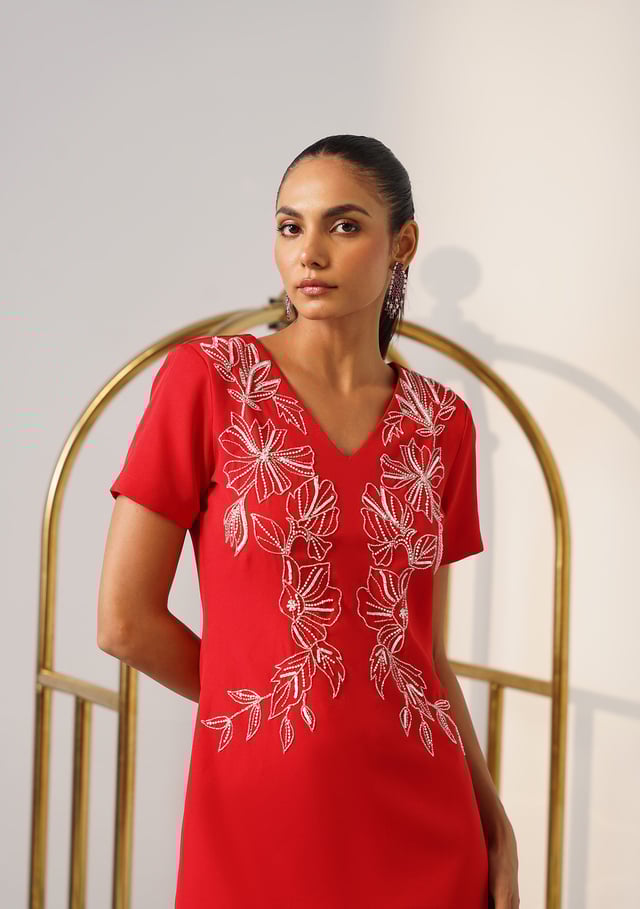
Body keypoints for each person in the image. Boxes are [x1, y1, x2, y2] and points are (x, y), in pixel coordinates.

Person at [98, 134, 520, 908]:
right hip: (262, 811)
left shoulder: (441, 423)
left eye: (345, 225)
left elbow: (424, 652)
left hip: (427, 819)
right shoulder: (208, 382)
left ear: (404, 243)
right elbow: (124, 623)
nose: (310, 252)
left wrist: (493, 817)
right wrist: (267, 698)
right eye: (291, 226)